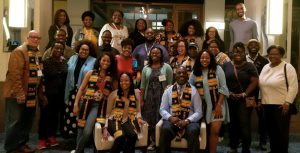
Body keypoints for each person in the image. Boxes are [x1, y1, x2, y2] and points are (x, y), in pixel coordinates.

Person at [3, 30, 46, 153]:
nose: (36, 39)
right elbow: (15, 75)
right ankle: (11, 148)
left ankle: (21, 144)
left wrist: (40, 93)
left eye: (38, 38)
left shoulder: (37, 53)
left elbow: (39, 75)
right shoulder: (19, 52)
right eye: (33, 37)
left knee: (26, 121)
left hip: (31, 94)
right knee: (14, 122)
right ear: (27, 38)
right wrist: (19, 93)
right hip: (16, 94)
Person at [71, 52, 117, 153]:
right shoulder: (91, 73)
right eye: (103, 60)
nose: (105, 62)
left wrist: (108, 94)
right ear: (99, 61)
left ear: (111, 63)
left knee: (87, 132)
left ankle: (77, 151)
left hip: (98, 106)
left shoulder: (112, 77)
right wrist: (75, 104)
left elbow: (116, 93)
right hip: (85, 102)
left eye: (108, 61)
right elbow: (81, 88)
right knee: (80, 130)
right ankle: (80, 150)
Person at [189, 51, 230, 153]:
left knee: (215, 131)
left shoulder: (217, 69)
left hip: (217, 104)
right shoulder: (195, 72)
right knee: (204, 131)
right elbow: (189, 88)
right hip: (201, 106)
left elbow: (223, 88)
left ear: (211, 59)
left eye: (207, 58)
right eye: (202, 58)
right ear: (199, 59)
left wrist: (218, 105)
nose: (204, 60)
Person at [259, 45, 298, 153]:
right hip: (266, 105)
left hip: (281, 106)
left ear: (281, 55)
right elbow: (261, 84)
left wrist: (287, 102)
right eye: (271, 54)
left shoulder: (287, 67)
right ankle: (274, 150)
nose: (273, 56)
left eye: (276, 54)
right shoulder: (266, 67)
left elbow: (293, 87)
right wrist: (260, 100)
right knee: (271, 131)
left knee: (281, 133)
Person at [222, 42, 258, 153]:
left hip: (244, 100)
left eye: (240, 51)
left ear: (244, 53)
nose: (238, 53)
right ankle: (233, 147)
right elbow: (222, 81)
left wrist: (245, 94)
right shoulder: (226, 65)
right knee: (232, 124)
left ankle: (245, 149)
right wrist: (229, 93)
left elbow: (255, 81)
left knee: (244, 124)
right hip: (230, 98)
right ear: (232, 53)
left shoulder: (250, 66)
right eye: (235, 51)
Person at [159, 66, 203, 153]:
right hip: (173, 121)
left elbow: (199, 112)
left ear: (187, 76)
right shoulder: (168, 90)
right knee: (165, 129)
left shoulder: (194, 90)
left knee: (194, 130)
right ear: (175, 76)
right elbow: (162, 109)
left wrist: (187, 121)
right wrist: (170, 118)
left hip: (189, 122)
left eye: (184, 73)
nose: (181, 75)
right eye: (179, 73)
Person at [103, 72, 146, 153]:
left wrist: (139, 118)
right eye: (121, 81)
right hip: (113, 120)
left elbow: (138, 111)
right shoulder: (114, 94)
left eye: (126, 80)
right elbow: (107, 114)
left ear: (130, 81)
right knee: (120, 137)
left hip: (127, 121)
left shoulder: (136, 94)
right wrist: (105, 127)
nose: (124, 83)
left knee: (133, 136)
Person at [140, 47, 173, 150]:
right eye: (153, 53)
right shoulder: (146, 68)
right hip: (149, 98)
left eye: (157, 53)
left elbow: (170, 85)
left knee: (159, 118)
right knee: (149, 118)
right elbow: (143, 85)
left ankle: (159, 142)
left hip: (162, 98)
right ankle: (151, 140)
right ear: (150, 55)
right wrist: (141, 100)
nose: (155, 54)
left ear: (161, 55)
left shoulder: (167, 67)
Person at [63, 40, 96, 138]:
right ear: (79, 49)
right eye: (82, 49)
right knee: (71, 113)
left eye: (86, 50)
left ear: (90, 51)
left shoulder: (93, 61)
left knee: (82, 114)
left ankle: (81, 138)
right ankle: (71, 137)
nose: (84, 51)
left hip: (85, 92)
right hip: (71, 90)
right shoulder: (73, 58)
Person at [38, 42, 68, 149]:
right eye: (56, 48)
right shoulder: (45, 62)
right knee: (45, 116)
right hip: (47, 95)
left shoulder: (65, 62)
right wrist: (41, 94)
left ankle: (51, 136)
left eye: (61, 49)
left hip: (59, 95)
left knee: (55, 116)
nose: (58, 50)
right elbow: (40, 79)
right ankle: (42, 139)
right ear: (51, 49)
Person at [246, 39, 269, 151]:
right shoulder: (243, 59)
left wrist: (260, 96)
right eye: (251, 44)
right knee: (244, 119)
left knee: (263, 119)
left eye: (256, 44)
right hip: (246, 93)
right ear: (247, 47)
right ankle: (244, 141)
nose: (253, 46)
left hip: (261, 93)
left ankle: (263, 142)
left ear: (259, 47)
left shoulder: (264, 60)